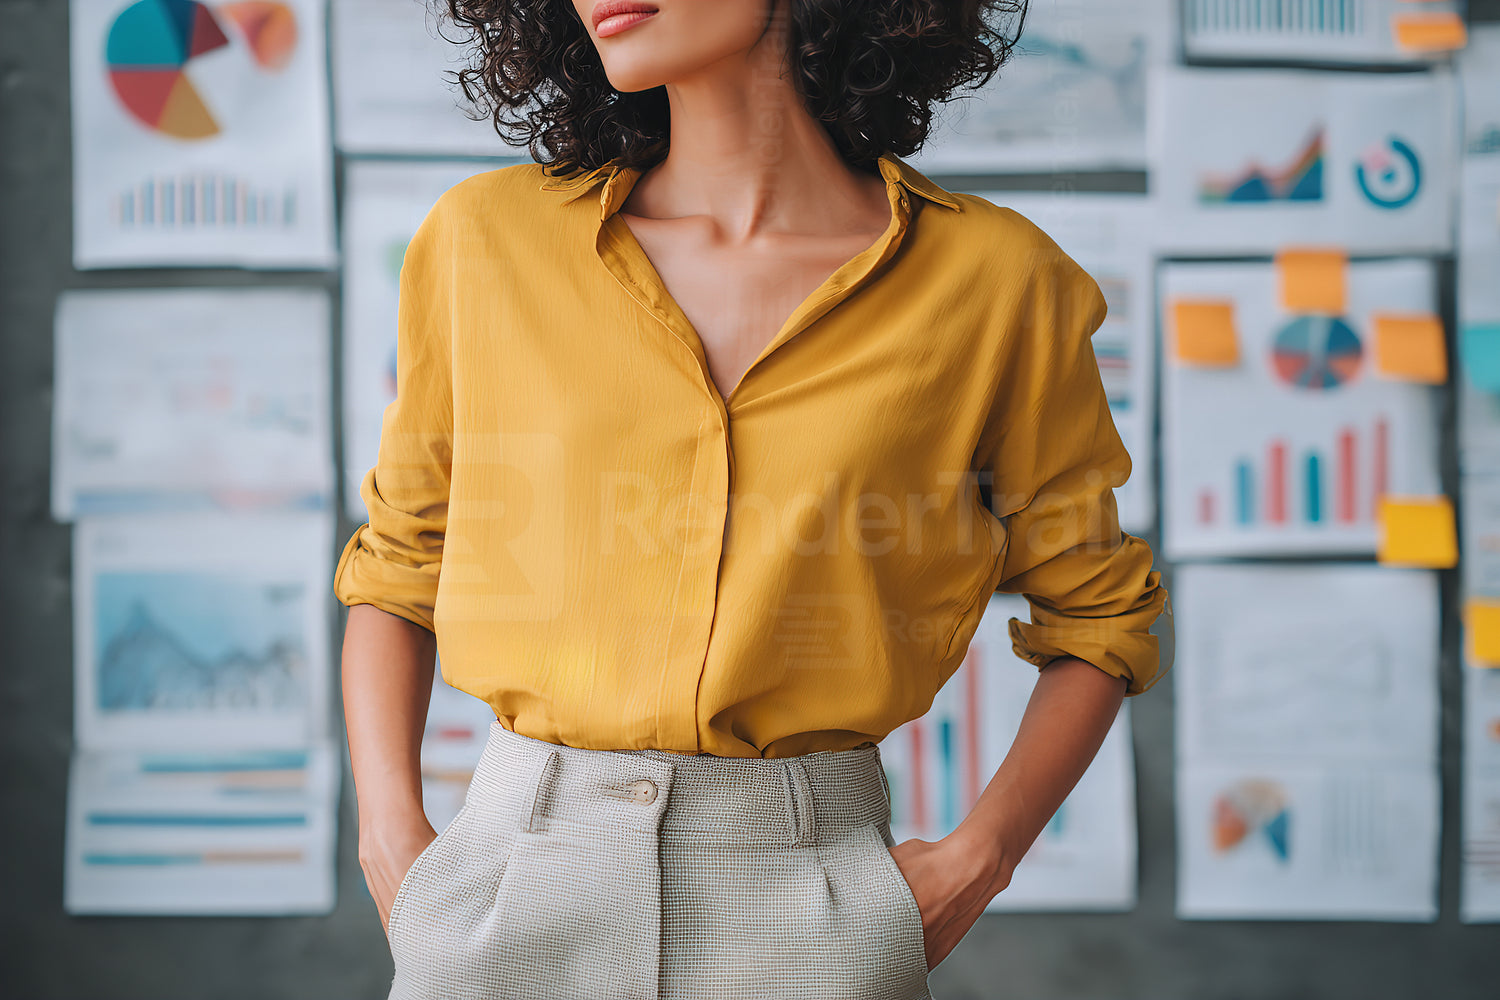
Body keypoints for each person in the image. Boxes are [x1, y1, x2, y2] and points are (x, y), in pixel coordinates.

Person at [334, 1, 1171, 998]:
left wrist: (976, 859)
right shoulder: (485, 242)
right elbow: (397, 566)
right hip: (504, 902)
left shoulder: (997, 284)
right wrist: (394, 843)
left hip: (813, 911)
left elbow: (1101, 614)